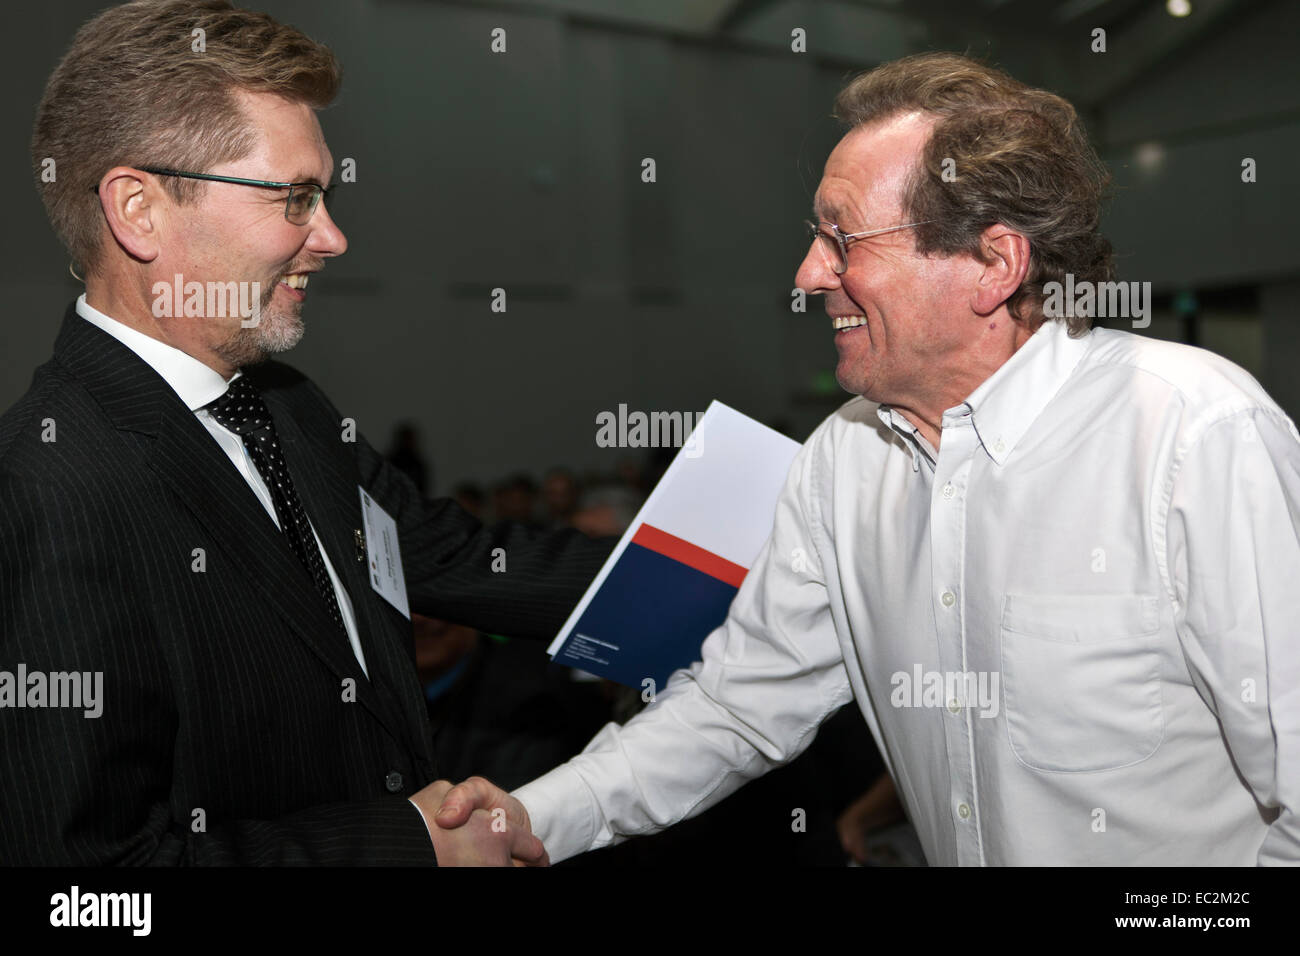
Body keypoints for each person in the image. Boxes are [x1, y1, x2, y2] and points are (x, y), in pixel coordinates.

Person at [436, 52, 1300, 866]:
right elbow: (738, 706)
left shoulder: (1192, 434)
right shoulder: (842, 460)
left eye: (843, 239)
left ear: (992, 263)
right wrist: (533, 816)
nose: (809, 274)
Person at [0, 0, 608, 865]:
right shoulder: (49, 490)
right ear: (138, 210)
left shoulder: (285, 405)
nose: (331, 236)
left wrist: (784, 553)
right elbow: (90, 889)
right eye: (295, 197)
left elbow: (464, 563)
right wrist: (408, 846)